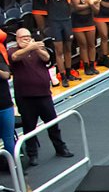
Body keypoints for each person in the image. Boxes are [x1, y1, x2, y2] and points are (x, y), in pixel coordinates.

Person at [8, 27, 72, 168]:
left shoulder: (38, 48)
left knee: (52, 123)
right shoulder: (13, 50)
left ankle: (61, 148)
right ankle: (33, 155)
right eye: (23, 37)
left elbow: (47, 58)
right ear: (17, 39)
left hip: (43, 94)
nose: (26, 39)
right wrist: (29, 47)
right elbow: (14, 58)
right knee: (29, 127)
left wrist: (35, 48)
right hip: (25, 97)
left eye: (28, 36)